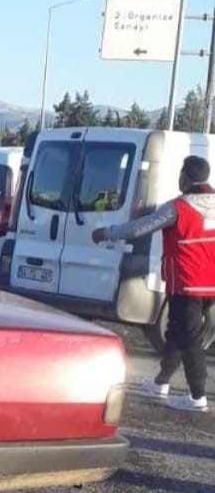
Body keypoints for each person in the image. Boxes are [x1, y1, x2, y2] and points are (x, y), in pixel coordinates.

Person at [92, 154, 215, 412]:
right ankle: (161, 382)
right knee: (177, 332)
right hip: (209, 284)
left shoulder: (178, 208)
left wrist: (107, 233)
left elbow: (140, 227)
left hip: (186, 283)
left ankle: (197, 397)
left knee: (189, 339)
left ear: (186, 178)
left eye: (181, 174)